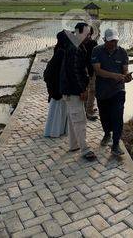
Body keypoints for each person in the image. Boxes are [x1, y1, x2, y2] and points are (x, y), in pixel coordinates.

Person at [91, 28, 132, 156]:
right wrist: (115, 75)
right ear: (104, 40)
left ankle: (115, 144)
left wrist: (127, 77)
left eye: (115, 41)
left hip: (118, 90)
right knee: (104, 116)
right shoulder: (97, 51)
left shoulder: (122, 52)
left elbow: (125, 71)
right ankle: (107, 133)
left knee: (118, 117)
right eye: (111, 41)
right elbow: (97, 71)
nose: (113, 44)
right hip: (102, 90)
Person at [60, 22, 97, 161]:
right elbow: (75, 72)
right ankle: (85, 149)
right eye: (87, 34)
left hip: (70, 89)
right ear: (79, 32)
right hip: (73, 90)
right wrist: (82, 89)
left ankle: (74, 145)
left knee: (73, 118)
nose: (89, 37)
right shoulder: (74, 48)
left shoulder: (75, 45)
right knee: (80, 119)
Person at [43, 29, 69, 137]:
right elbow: (54, 71)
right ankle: (56, 131)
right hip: (58, 86)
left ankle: (57, 130)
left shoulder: (60, 49)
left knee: (58, 110)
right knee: (59, 109)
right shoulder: (61, 52)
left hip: (58, 85)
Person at [82, 26, 99, 121]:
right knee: (87, 90)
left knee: (91, 90)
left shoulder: (93, 43)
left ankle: (89, 109)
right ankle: (86, 110)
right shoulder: (80, 44)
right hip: (86, 69)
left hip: (90, 69)